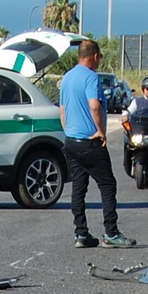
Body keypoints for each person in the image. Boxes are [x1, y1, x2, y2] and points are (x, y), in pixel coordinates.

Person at [57, 40, 134, 249]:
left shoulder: (67, 77)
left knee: (78, 187)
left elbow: (62, 110)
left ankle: (81, 234)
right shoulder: (91, 77)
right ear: (96, 56)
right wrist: (101, 131)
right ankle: (111, 233)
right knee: (107, 185)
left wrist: (69, 132)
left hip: (71, 140)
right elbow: (94, 106)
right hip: (90, 141)